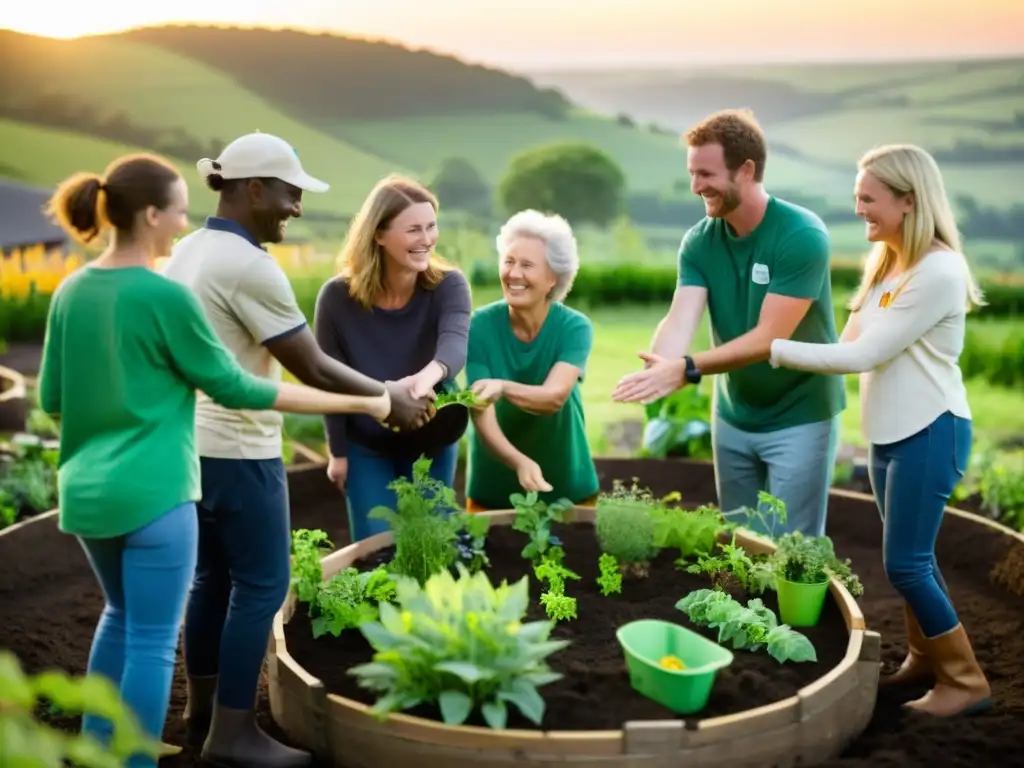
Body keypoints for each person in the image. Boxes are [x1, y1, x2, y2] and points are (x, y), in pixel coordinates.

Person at [36, 154, 394, 768]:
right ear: (150, 215)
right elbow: (242, 389)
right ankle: (140, 760)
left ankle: (101, 750)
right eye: (176, 208)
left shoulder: (73, 289)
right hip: (159, 488)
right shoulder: (164, 292)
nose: (183, 219)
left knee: (120, 618)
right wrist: (370, 398)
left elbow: (52, 401)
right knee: (156, 639)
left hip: (86, 492)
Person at [160, 134, 431, 767]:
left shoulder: (188, 251)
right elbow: (310, 364)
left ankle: (201, 717)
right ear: (253, 188)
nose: (297, 207)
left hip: (189, 445)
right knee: (262, 583)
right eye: (290, 192)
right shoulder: (249, 266)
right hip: (240, 449)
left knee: (211, 579)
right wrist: (389, 397)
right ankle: (233, 734)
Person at [769, 143, 992, 718]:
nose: (860, 209)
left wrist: (771, 349)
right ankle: (926, 661)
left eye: (869, 199)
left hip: (930, 432)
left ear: (909, 201)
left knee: (907, 564)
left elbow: (864, 356)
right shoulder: (888, 265)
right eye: (857, 198)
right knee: (916, 560)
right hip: (891, 438)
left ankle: (966, 683)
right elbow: (846, 346)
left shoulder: (939, 269)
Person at [611, 108, 846, 539]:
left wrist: (687, 368)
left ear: (746, 170)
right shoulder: (701, 241)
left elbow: (768, 339)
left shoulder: (800, 236)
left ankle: (791, 610)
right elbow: (681, 315)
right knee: (742, 542)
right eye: (692, 173)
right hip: (734, 415)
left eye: (706, 173)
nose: (696, 186)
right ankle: (749, 610)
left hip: (801, 414)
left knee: (793, 547)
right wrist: (657, 369)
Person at [314, 174, 472, 542]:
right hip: (366, 441)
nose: (427, 240)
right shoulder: (337, 299)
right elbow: (329, 379)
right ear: (379, 235)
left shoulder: (448, 285)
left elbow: (454, 344)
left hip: (431, 434)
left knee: (433, 542)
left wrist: (427, 377)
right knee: (376, 548)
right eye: (414, 229)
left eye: (431, 227)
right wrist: (338, 453)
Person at [464, 209, 599, 512]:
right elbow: (479, 409)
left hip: (567, 485)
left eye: (527, 265)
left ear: (552, 278)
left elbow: (554, 398)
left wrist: (503, 387)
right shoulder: (479, 327)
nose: (514, 274)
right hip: (492, 489)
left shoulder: (574, 328)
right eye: (509, 261)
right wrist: (519, 462)